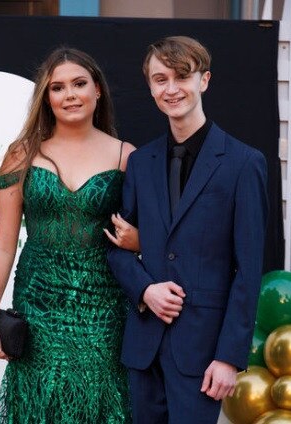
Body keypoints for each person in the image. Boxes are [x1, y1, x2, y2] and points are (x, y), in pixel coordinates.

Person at [107, 36, 268, 423]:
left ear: (204, 80)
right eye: (160, 79)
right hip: (143, 348)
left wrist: (229, 356)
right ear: (150, 87)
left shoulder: (245, 163)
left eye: (182, 76)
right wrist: (145, 288)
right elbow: (116, 246)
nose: (172, 88)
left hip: (203, 352)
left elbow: (249, 270)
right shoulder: (141, 163)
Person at [0, 46, 138, 423]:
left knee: (98, 403)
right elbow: (4, 244)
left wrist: (140, 241)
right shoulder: (21, 154)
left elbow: (151, 239)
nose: (69, 95)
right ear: (46, 98)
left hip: (103, 308)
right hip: (38, 304)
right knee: (40, 404)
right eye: (57, 87)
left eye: (79, 84)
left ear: (97, 90)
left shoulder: (127, 157)